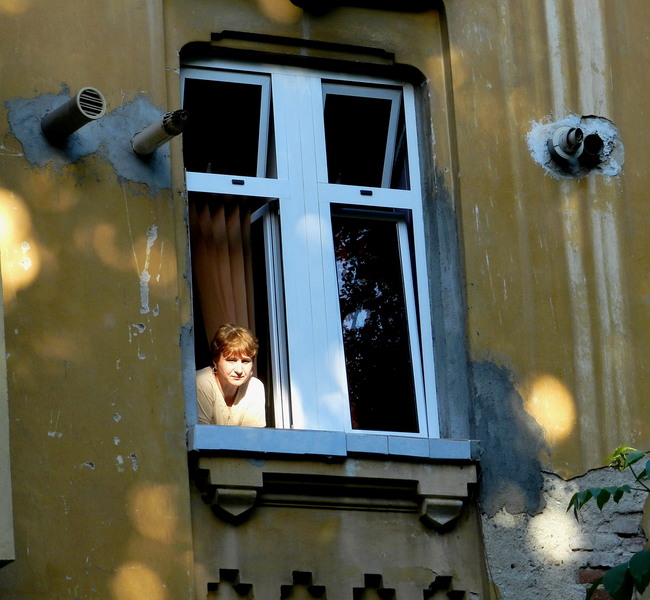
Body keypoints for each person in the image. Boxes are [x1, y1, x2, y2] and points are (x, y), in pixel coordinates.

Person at [196, 324, 266, 427]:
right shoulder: (202, 383)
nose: (239, 370)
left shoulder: (255, 387)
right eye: (231, 360)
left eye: (245, 361)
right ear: (215, 361)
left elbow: (252, 435)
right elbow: (201, 434)